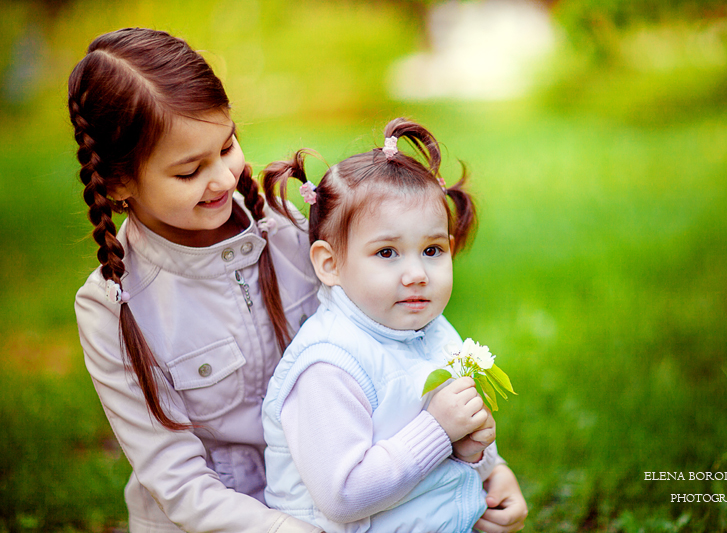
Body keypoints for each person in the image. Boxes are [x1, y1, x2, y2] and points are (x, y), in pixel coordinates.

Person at [67, 27, 526, 533]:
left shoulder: (292, 231)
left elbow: (402, 355)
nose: (221, 178)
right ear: (116, 183)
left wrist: (487, 471)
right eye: (188, 171)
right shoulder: (113, 307)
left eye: (226, 146)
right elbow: (180, 485)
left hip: (359, 501)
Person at [260, 118, 528, 532]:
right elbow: (343, 496)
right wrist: (437, 429)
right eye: (387, 253)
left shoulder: (435, 333)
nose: (417, 273)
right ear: (330, 264)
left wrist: (486, 465)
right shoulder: (328, 366)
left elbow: (453, 436)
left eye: (432, 250)